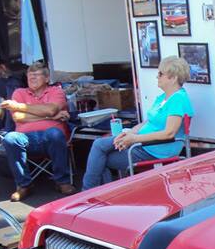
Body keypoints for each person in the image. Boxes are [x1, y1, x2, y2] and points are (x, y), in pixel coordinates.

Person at [82, 56, 194, 190]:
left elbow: (169, 133)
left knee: (99, 154)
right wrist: (130, 133)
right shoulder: (163, 98)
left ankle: (89, 193)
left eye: (160, 74)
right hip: (142, 144)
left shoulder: (178, 100)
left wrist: (134, 139)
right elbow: (148, 122)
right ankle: (95, 195)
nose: (157, 77)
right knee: (99, 151)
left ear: (173, 78)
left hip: (153, 150)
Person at [0, 62, 75, 202]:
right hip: (26, 138)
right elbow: (18, 117)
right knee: (10, 138)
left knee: (55, 134)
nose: (32, 78)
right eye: (29, 75)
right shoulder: (19, 93)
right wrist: (51, 116)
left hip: (51, 138)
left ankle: (62, 182)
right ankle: (24, 185)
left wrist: (19, 106)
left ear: (47, 78)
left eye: (36, 75)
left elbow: (50, 109)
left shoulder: (55, 91)